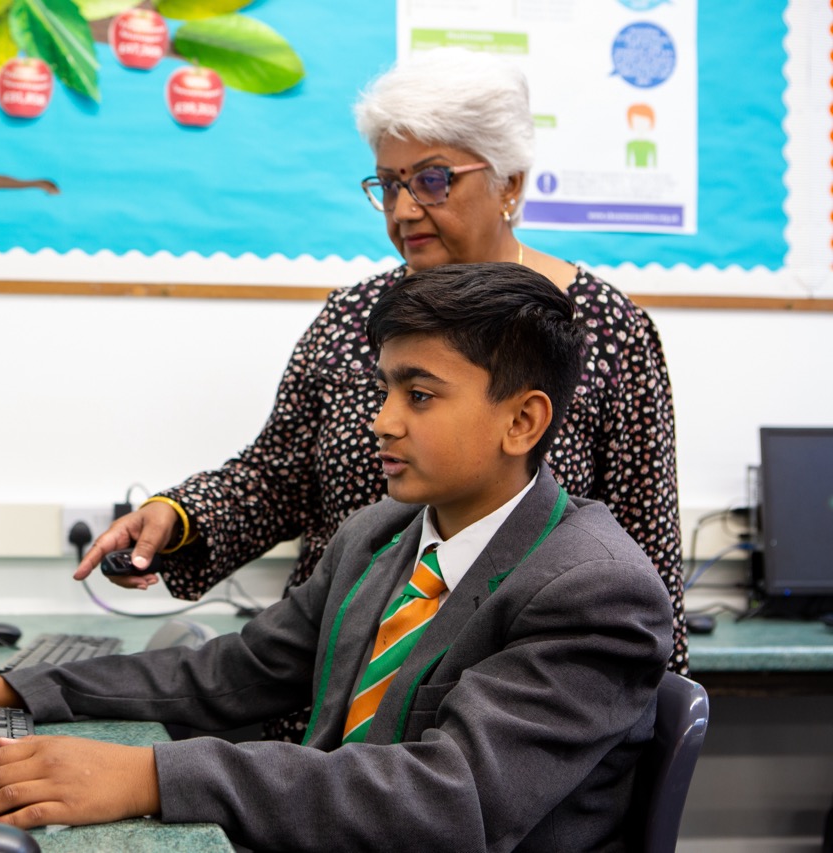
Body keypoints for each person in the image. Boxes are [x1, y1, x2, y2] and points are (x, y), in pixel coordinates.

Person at [0, 264, 675, 852]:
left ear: (523, 421)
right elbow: (230, 674)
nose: (381, 422)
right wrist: (14, 687)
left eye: (418, 395)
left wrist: (154, 776)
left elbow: (451, 801)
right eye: (385, 389)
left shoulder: (594, 589)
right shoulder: (382, 534)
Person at [74, 50, 687, 710]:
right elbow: (278, 475)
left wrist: (643, 747)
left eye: (432, 180)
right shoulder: (352, 316)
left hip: (490, 718)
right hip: (318, 699)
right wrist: (179, 514)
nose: (404, 210)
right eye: (389, 185)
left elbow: (646, 547)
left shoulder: (603, 330)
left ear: (510, 182)